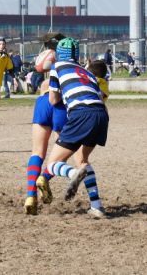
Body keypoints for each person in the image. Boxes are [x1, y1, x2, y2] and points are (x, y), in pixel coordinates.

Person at [43, 37, 109, 218]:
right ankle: (96, 206)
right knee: (82, 159)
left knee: (53, 163)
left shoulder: (57, 67)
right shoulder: (87, 72)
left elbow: (53, 99)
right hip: (101, 115)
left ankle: (73, 174)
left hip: (82, 114)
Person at [24, 79, 68, 215]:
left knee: (37, 152)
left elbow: (43, 86)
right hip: (62, 105)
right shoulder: (74, 70)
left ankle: (31, 196)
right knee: (63, 153)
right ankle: (44, 178)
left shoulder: (51, 75)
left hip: (44, 101)